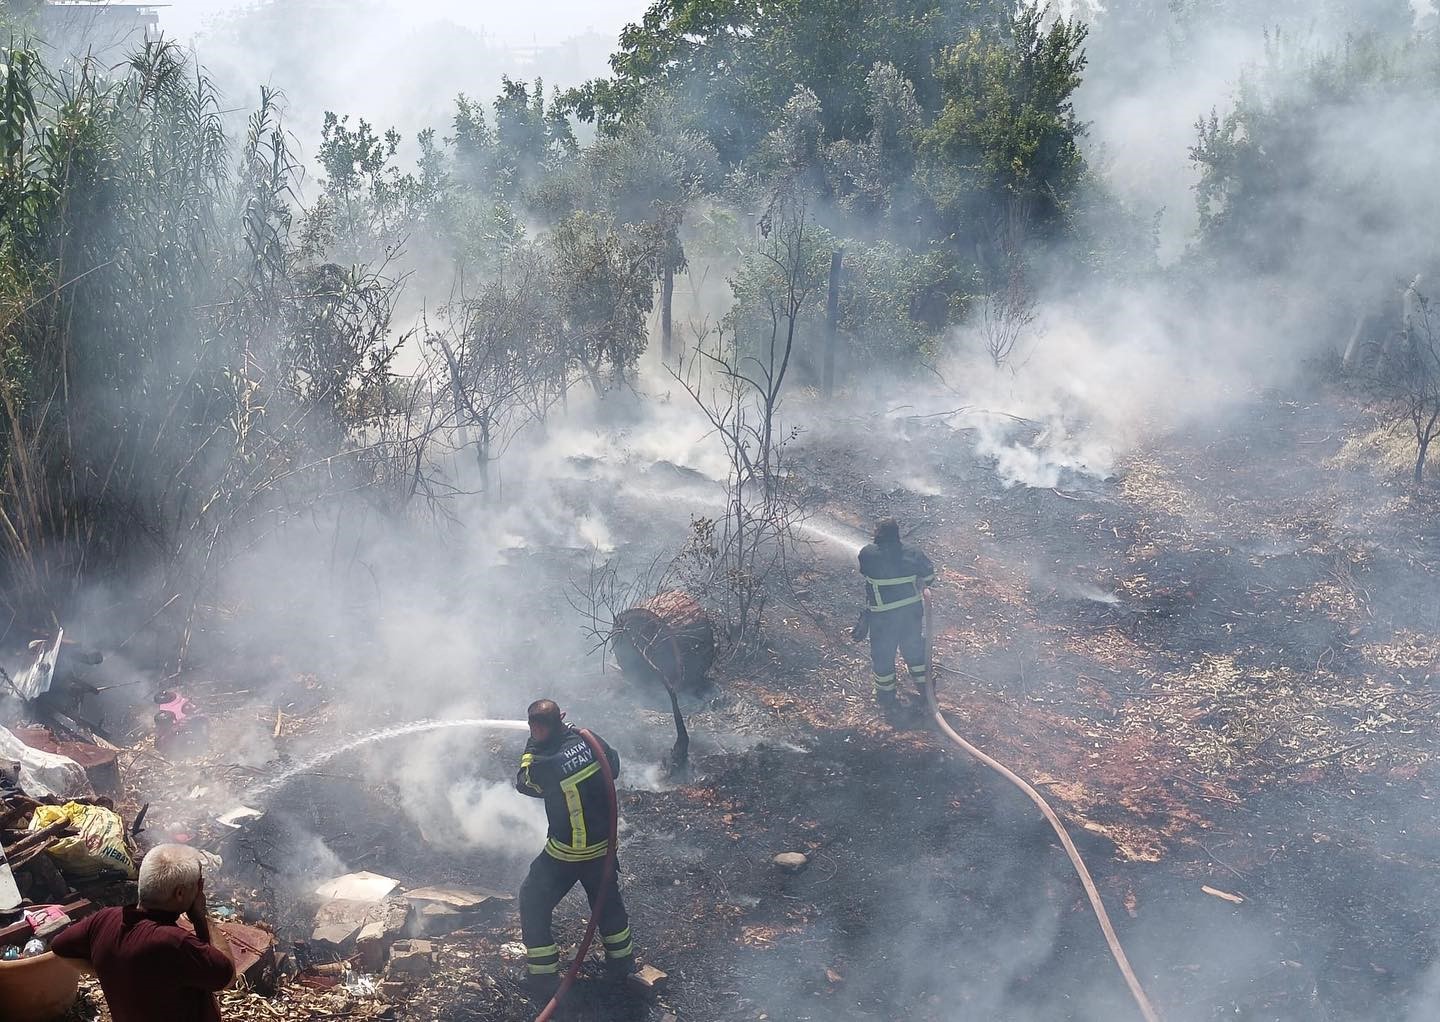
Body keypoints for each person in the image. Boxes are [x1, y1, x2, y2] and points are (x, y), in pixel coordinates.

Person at [515, 698, 636, 991]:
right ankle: (622, 963)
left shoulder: (545, 762)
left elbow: (524, 782)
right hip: (603, 846)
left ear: (536, 728)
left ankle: (543, 976)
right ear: (562, 717)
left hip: (569, 852)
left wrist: (531, 746)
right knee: (606, 903)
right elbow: (614, 766)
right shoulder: (589, 740)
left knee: (533, 899)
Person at [51, 843, 235, 1022]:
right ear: (179, 893)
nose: (200, 891)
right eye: (199, 884)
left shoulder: (105, 919)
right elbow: (228, 978)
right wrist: (203, 917)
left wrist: (109, 972)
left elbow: (60, 946)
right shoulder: (175, 943)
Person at [857, 517, 936, 712]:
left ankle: (887, 699)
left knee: (883, 655)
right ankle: (926, 692)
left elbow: (864, 571)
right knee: (914, 650)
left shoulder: (868, 554)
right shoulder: (913, 552)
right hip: (911, 614)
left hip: (882, 617)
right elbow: (929, 577)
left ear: (878, 532)